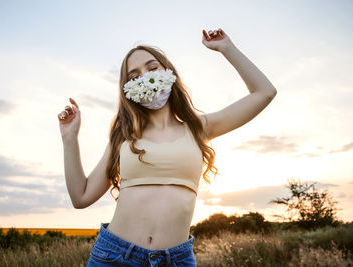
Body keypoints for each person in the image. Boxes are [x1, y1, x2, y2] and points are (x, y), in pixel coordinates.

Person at [57, 28, 277, 267]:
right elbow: (81, 197)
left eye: (152, 68)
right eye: (134, 76)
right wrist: (70, 139)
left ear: (168, 72)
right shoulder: (124, 135)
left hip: (176, 261)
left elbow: (264, 92)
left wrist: (226, 48)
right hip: (115, 257)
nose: (146, 78)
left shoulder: (198, 127)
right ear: (128, 90)